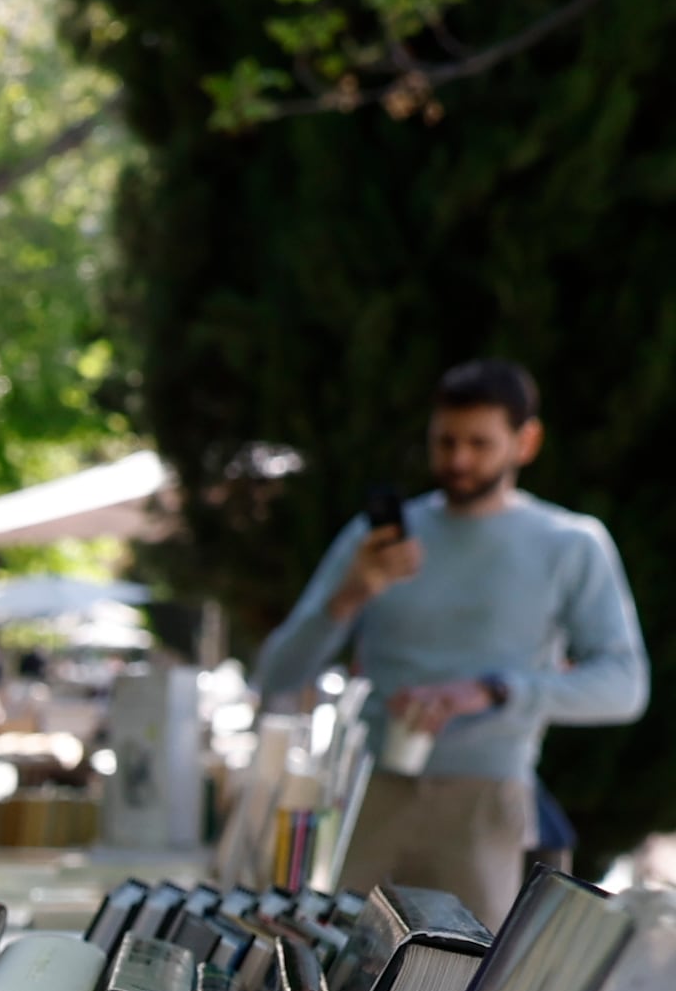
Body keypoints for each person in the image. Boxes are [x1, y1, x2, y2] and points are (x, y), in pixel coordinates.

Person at [255, 358, 651, 925]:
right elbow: (275, 676)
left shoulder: (570, 544)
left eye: (479, 443)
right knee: (349, 986)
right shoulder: (380, 541)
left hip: (487, 797)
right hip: (375, 792)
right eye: (445, 441)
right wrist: (349, 596)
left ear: (526, 441)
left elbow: (625, 687)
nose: (459, 459)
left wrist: (494, 691)